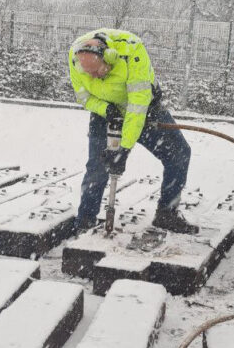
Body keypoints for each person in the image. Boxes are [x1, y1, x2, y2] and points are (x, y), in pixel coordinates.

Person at [68, 28, 199, 234]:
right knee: (97, 167)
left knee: (179, 154)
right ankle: (85, 221)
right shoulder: (76, 57)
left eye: (98, 72)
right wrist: (105, 109)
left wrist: (123, 149)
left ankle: (167, 213)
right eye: (89, 74)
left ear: (110, 59)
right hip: (105, 112)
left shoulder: (132, 53)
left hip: (145, 110)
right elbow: (83, 97)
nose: (94, 78)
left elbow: (137, 108)